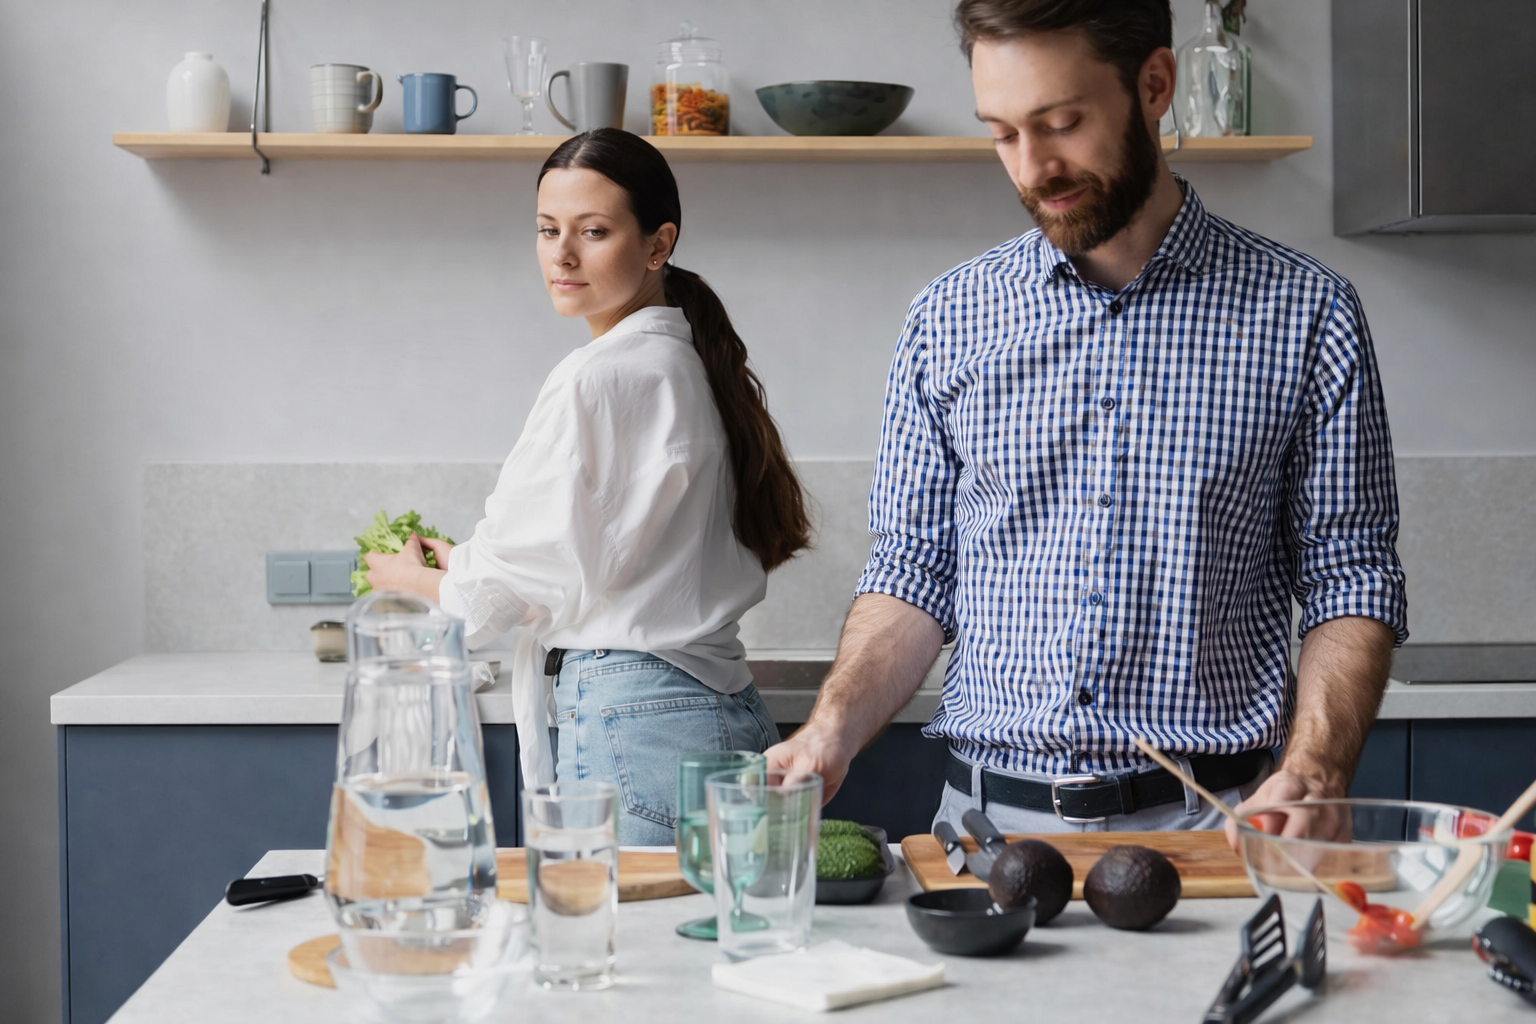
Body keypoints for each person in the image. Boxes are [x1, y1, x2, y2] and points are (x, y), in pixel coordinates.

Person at [766, 0, 1406, 846]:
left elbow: (1348, 574)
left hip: (1213, 831)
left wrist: (1318, 762)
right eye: (1002, 134)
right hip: (983, 834)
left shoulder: (1307, 312)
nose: (1034, 167)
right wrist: (830, 728)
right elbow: (915, 572)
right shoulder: (948, 319)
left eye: (1061, 122)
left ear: (1153, 85)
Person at [365, 128, 809, 845]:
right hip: (724, 714)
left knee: (619, 954)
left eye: (593, 231)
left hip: (637, 725)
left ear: (657, 244)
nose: (562, 255)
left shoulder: (598, 376)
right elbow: (597, 552)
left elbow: (483, 607)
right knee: (714, 953)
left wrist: (404, 580)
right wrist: (469, 561)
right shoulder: (687, 363)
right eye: (547, 230)